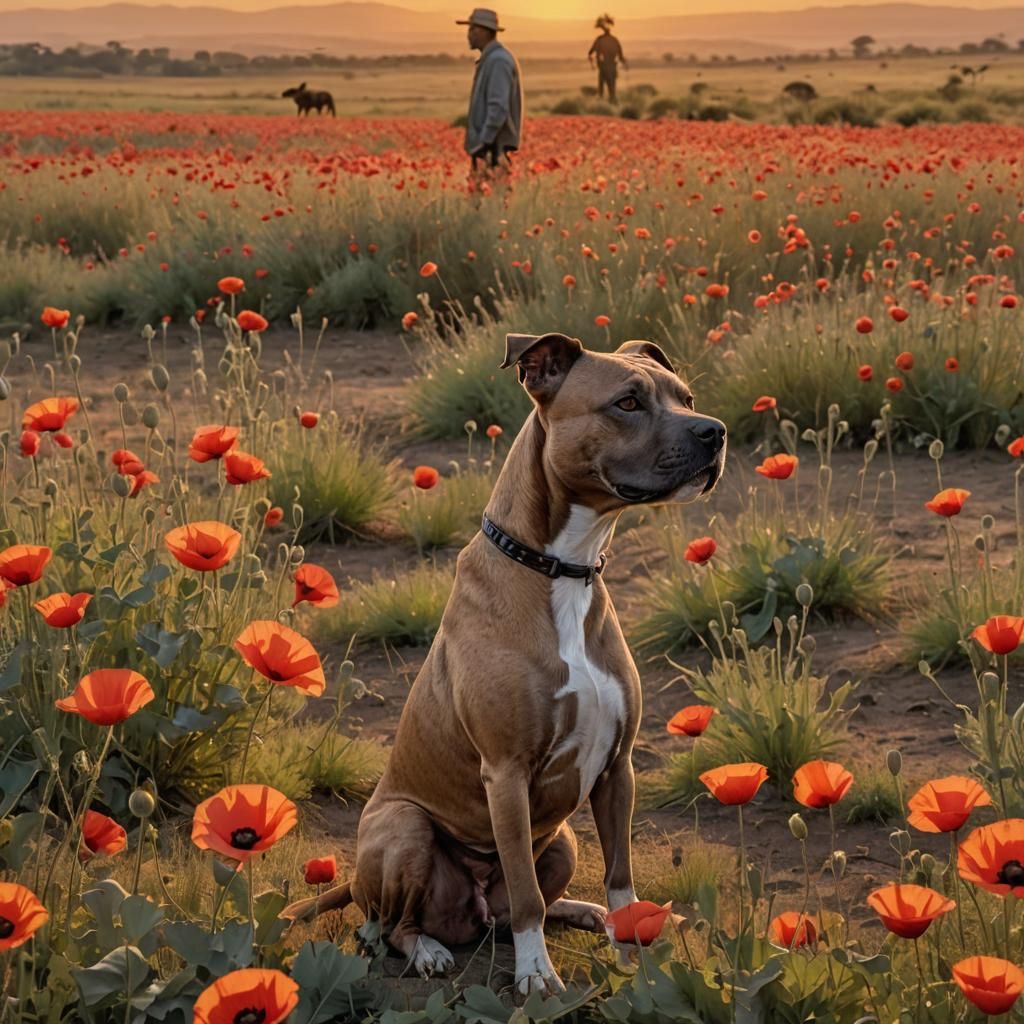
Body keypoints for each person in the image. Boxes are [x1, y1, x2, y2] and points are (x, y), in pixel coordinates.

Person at [457, 8, 523, 179]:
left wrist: (483, 142)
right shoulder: (491, 59)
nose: (468, 35)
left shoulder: (498, 61)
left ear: (484, 31)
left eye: (472, 29)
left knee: (491, 201)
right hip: (488, 147)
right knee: (484, 202)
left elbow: (498, 107)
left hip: (492, 147)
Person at [588, 14, 627, 104]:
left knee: (601, 89)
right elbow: (621, 57)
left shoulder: (600, 40)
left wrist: (593, 64)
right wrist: (624, 62)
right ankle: (611, 105)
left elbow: (590, 53)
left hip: (603, 67)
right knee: (612, 89)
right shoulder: (614, 40)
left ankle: (603, 107)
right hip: (612, 67)